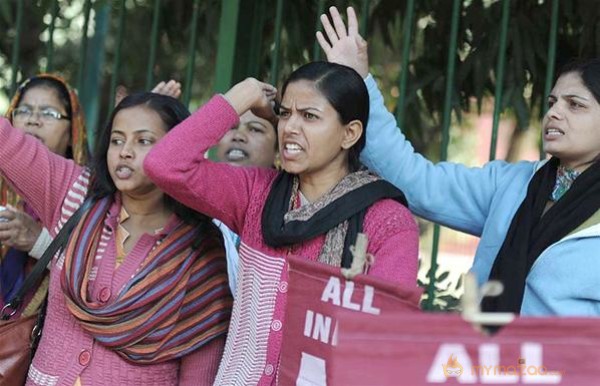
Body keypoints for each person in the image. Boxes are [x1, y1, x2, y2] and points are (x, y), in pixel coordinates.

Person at [144, 61, 419, 384]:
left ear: (350, 133)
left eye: (310, 117)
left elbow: (386, 350)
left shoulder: (387, 223)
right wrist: (241, 96)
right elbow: (164, 164)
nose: (289, 127)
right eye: (285, 113)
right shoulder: (256, 194)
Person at [318, 6, 600, 316]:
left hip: (563, 365)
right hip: (480, 359)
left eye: (575, 105)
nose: (555, 112)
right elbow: (417, 182)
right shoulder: (513, 185)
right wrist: (360, 82)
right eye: (552, 102)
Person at [0, 92, 232, 385]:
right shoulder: (75, 194)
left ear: (178, 151)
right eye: (117, 140)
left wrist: (241, 97)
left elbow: (200, 365)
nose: (125, 151)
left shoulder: (200, 248)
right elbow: (7, 143)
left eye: (143, 141)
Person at [0, 74, 88, 319]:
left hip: (39, 340)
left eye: (48, 113)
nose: (33, 120)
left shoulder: (86, 196)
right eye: (24, 110)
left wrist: (39, 242)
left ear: (72, 133)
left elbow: (95, 274)